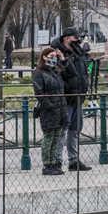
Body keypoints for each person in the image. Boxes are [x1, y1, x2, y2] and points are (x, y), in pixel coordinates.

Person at [50, 27, 92, 171]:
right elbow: (57, 74)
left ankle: (74, 160)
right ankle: (57, 161)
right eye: (75, 38)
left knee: (75, 129)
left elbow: (83, 72)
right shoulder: (56, 52)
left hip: (78, 96)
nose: (78, 40)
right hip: (66, 97)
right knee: (62, 130)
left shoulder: (78, 52)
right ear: (67, 38)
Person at [33, 47, 68, 175]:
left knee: (57, 137)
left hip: (60, 109)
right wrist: (50, 105)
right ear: (44, 57)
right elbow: (39, 92)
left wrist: (62, 60)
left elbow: (62, 85)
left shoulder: (55, 71)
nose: (54, 58)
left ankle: (54, 163)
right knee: (49, 137)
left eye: (55, 56)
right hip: (49, 110)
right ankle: (47, 164)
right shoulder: (38, 72)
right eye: (51, 56)